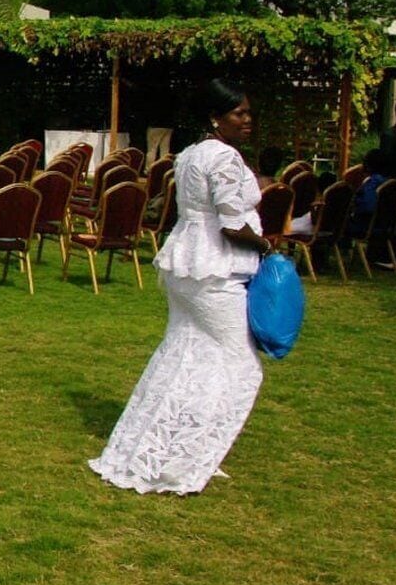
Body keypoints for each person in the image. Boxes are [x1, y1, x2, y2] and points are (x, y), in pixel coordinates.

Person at [90, 80, 270, 495]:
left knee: (185, 352)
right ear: (215, 117)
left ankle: (152, 448)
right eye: (238, 113)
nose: (247, 121)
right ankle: (186, 454)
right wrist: (267, 247)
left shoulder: (192, 154)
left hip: (188, 265)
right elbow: (231, 223)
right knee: (239, 364)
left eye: (248, 113)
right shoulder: (223, 158)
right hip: (214, 270)